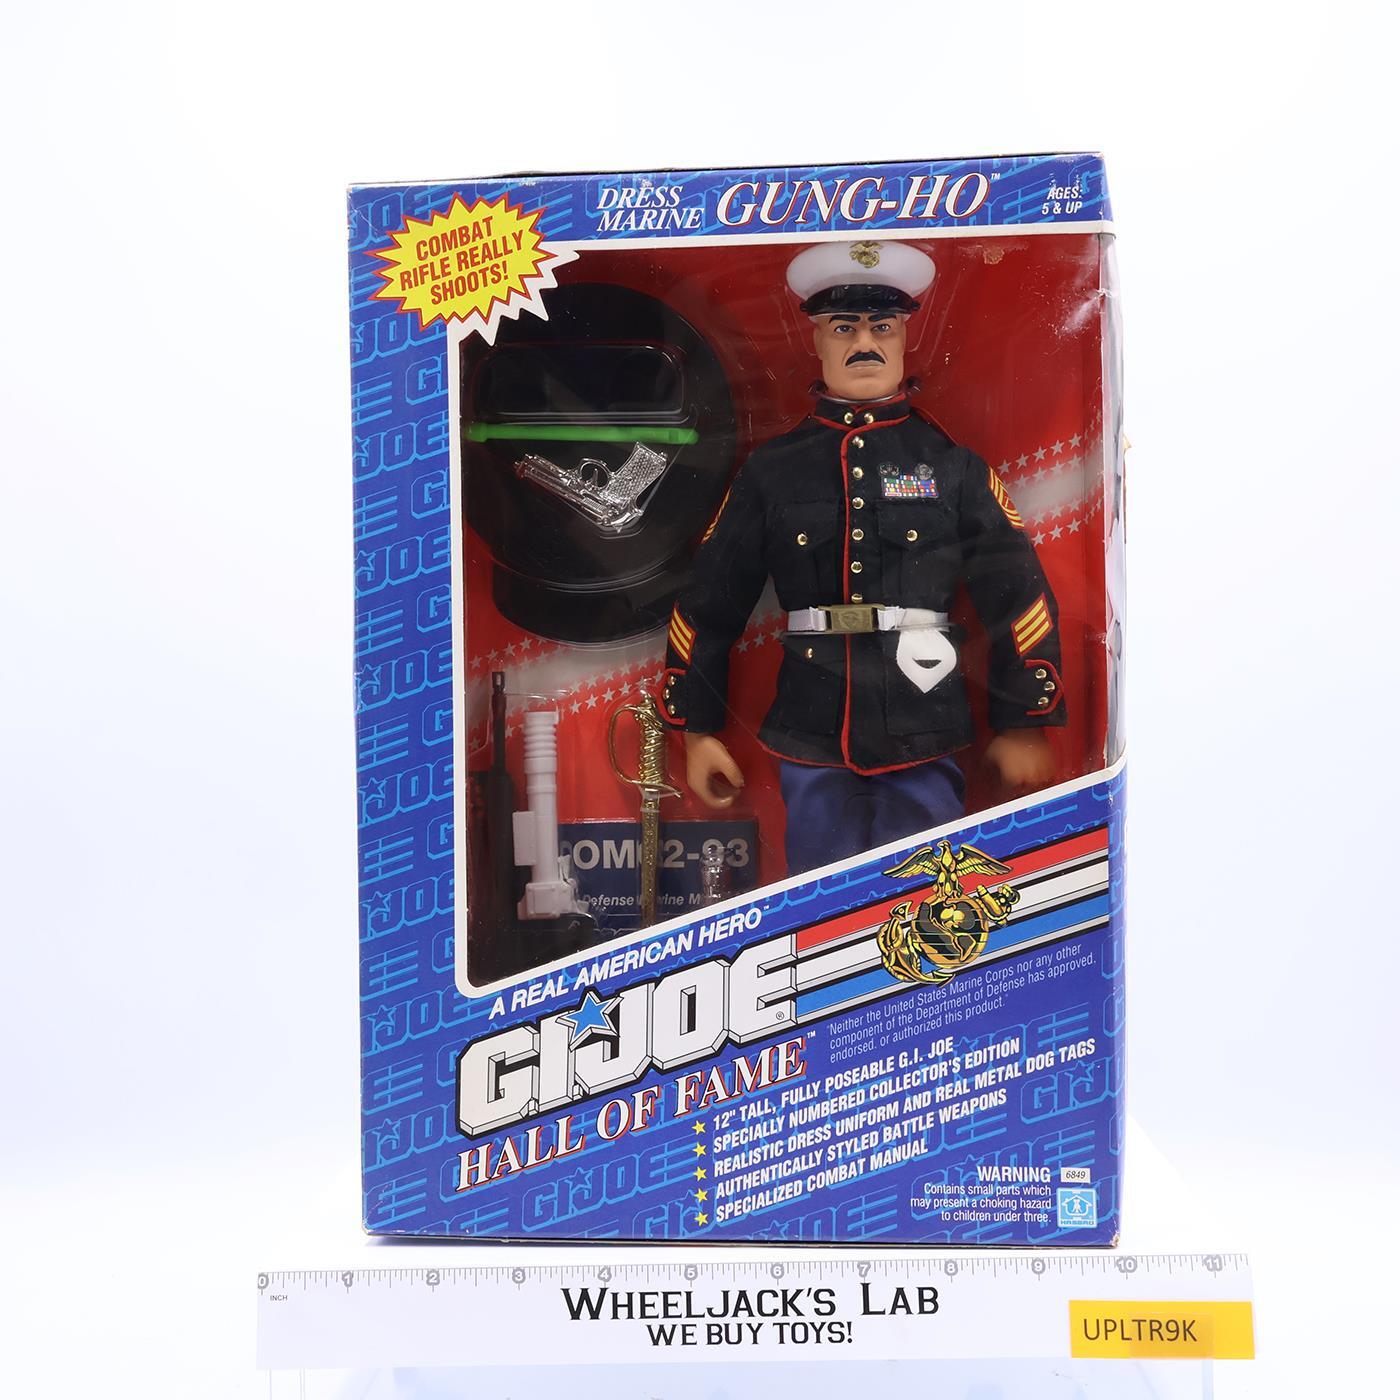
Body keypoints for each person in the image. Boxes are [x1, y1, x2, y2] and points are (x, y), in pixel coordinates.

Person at [659, 240, 1065, 873]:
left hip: (922, 711)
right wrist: (697, 729)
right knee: (818, 894)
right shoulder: (773, 472)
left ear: (905, 338)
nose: (864, 343)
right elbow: (709, 600)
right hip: (811, 721)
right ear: (816, 341)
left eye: (883, 327)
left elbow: (1019, 594)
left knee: (929, 891)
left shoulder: (952, 468)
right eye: (844, 327)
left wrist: (1024, 722)